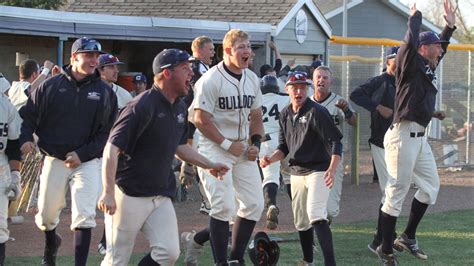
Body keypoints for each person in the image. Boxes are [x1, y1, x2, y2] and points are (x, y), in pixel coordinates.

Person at [98, 48, 229, 266]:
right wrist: (108, 193)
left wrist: (210, 165)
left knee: (168, 253)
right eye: (185, 69)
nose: (191, 74)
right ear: (166, 73)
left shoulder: (178, 107)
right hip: (129, 195)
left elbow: (180, 148)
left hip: (160, 195)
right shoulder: (140, 106)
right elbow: (111, 149)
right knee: (116, 259)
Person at [19, 37, 118, 266]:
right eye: (88, 55)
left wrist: (83, 154)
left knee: (84, 216)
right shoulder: (50, 85)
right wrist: (25, 139)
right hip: (54, 158)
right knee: (45, 216)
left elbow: (106, 134)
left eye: (96, 55)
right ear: (74, 57)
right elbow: (29, 115)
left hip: (87, 161)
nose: (94, 60)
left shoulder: (105, 92)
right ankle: (51, 241)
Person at [376, 1, 456, 265]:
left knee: (431, 187)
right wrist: (415, 17)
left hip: (419, 139)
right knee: (396, 192)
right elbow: (410, 42)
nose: (439, 49)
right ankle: (385, 247)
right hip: (402, 135)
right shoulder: (410, 62)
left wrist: (449, 26)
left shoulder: (427, 66)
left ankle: (407, 236)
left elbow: (439, 48)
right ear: (423, 49)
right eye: (435, 45)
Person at [193, 29, 265, 265]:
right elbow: (200, 119)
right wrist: (225, 144)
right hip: (213, 147)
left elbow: (256, 116)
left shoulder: (252, 78)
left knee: (254, 204)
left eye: (249, 46)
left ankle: (235, 258)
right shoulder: (210, 79)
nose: (248, 51)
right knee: (223, 206)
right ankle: (220, 262)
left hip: (242, 146)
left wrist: (255, 143)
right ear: (227, 51)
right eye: (241, 47)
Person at [260, 71, 342, 266]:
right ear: (287, 90)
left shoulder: (317, 111)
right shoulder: (285, 113)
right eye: (295, 87)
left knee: (316, 214)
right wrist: (270, 159)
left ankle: (330, 263)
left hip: (319, 170)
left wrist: (332, 169)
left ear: (307, 89)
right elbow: (284, 147)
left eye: (303, 87)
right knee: (301, 222)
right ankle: (308, 260)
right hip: (296, 172)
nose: (299, 91)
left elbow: (336, 142)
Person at [350, 46, 399, 254]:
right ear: (387, 61)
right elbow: (355, 94)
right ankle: (382, 239)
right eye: (395, 59)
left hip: (398, 143)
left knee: (394, 191)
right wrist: (378, 107)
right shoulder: (380, 81)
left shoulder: (405, 83)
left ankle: (383, 238)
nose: (398, 63)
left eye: (401, 59)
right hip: (380, 142)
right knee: (390, 191)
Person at [96, 53, 133, 256]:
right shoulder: (91, 91)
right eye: (111, 67)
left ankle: (106, 239)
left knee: (112, 195)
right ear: (99, 70)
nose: (116, 71)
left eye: (116, 67)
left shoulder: (124, 95)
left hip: (115, 153)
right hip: (92, 153)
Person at [312, 66, 357, 221]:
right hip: (311, 157)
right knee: (311, 204)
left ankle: (324, 226)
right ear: (313, 80)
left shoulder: (338, 101)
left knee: (330, 209)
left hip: (333, 156)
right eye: (318, 77)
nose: (321, 80)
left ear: (330, 81)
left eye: (325, 78)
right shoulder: (306, 103)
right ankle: (313, 237)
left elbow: (353, 122)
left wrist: (346, 111)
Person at [180, 35, 215, 215]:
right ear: (199, 50)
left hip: (196, 120)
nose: (213, 53)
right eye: (210, 49)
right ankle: (207, 200)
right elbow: (196, 96)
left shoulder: (203, 67)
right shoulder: (194, 67)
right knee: (203, 157)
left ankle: (208, 199)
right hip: (193, 119)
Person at [258, 74, 290, 230]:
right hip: (285, 141)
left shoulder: (256, 101)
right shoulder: (284, 99)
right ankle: (299, 208)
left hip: (265, 142)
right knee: (290, 177)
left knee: (270, 177)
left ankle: (271, 204)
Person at [0, 75, 22, 266]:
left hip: (1, 169)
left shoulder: (6, 107)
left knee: (0, 227)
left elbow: (14, 145)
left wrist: (15, 176)